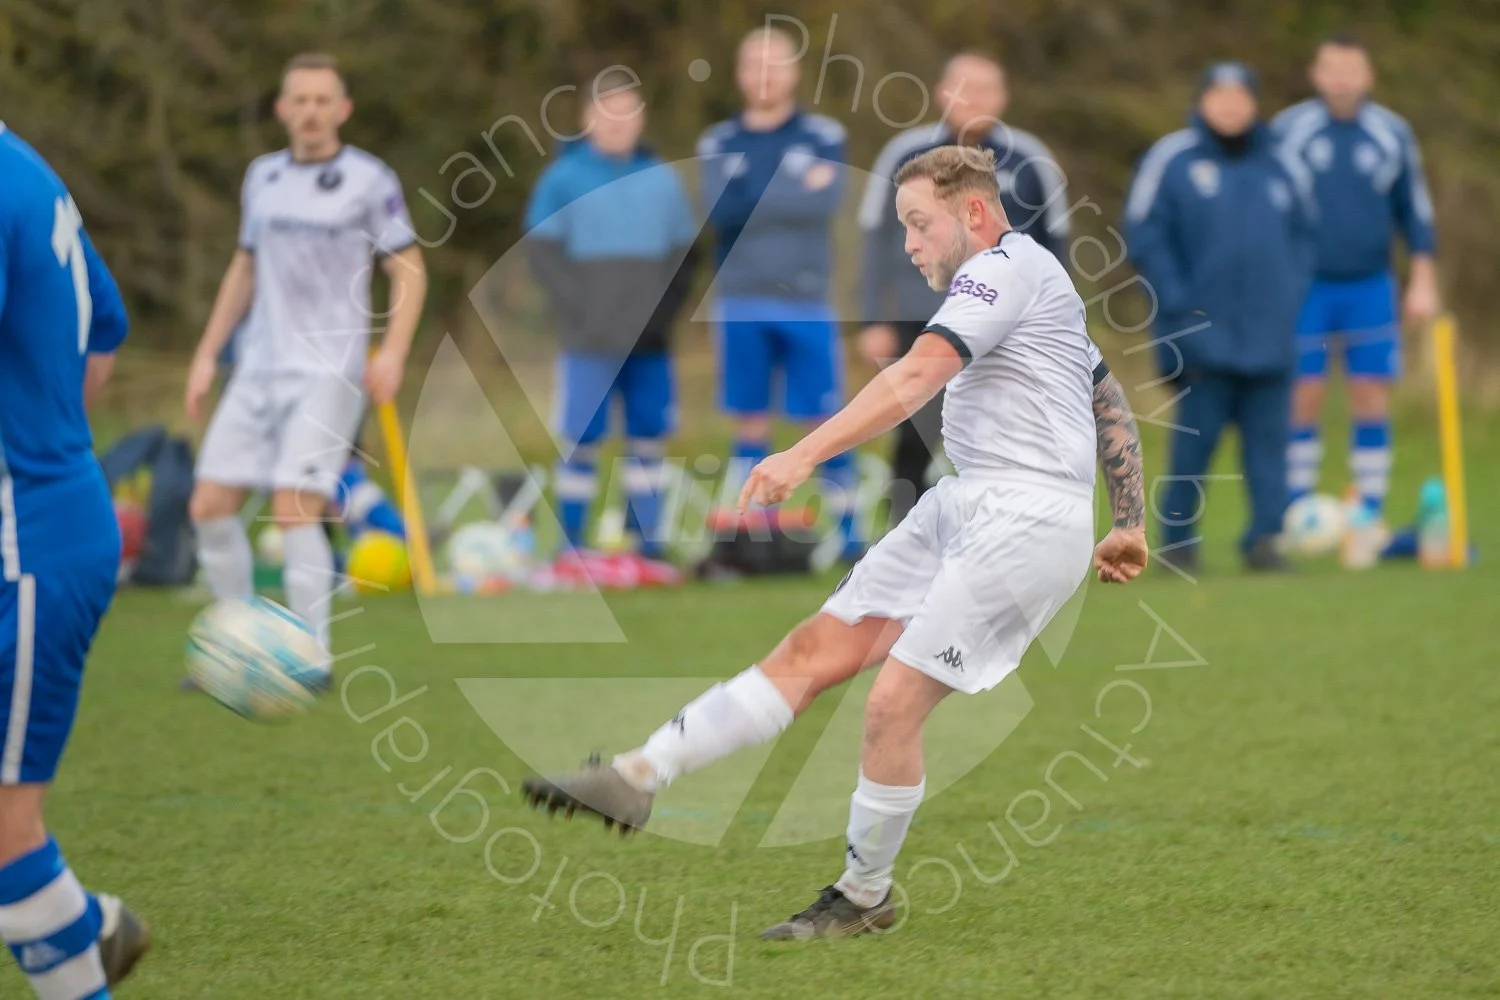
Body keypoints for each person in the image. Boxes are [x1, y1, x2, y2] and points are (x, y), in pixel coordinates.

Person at [523, 146, 1149, 940]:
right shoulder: (1023, 280)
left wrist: (802, 454)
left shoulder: (1002, 269)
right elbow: (1105, 389)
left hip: (1025, 522)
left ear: (977, 215)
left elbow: (919, 374)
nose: (911, 244)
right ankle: (639, 774)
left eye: (919, 225)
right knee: (810, 652)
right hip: (966, 503)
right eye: (904, 228)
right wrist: (1128, 517)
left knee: (891, 706)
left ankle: (863, 895)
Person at [183, 52, 426, 666]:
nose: (311, 111)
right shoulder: (261, 177)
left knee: (295, 508)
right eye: (301, 100)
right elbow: (244, 268)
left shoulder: (371, 180)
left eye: (323, 101)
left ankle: (309, 656)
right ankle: (235, 646)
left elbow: (408, 269)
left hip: (329, 371)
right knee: (208, 506)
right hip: (258, 366)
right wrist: (208, 353)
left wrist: (393, 352)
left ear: (342, 110)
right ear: (282, 109)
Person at [0, 124, 151, 996]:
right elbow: (107, 329)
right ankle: (86, 924)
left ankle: (72, 933)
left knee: (7, 835)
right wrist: (49, 432)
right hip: (46, 520)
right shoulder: (27, 166)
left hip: (27, 553)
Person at [857, 52, 1071, 526]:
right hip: (925, 317)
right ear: (941, 92)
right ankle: (901, 534)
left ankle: (1003, 531)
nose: (973, 99)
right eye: (963, 87)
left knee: (1004, 432)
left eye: (985, 89)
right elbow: (875, 237)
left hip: (1007, 324)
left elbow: (1057, 243)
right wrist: (874, 318)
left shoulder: (1031, 159)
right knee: (915, 429)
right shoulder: (905, 153)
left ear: (1003, 97)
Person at [1123, 62, 1315, 573]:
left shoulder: (1284, 163)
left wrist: (1289, 294)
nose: (1231, 106)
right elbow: (1144, 235)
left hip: (1270, 336)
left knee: (1268, 447)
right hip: (1201, 336)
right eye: (1220, 96)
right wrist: (1180, 300)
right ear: (1202, 101)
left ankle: (1265, 540)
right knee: (1194, 443)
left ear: (1254, 104)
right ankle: (1177, 544)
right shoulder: (1173, 158)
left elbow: (1306, 238)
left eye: (1240, 97)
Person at [524, 71, 699, 570]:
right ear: (588, 118)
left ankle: (649, 544)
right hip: (588, 338)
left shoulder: (662, 177)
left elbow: (684, 259)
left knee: (648, 436)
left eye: (629, 112)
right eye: (609, 112)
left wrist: (661, 316)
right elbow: (543, 255)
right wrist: (583, 310)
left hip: (650, 340)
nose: (619, 123)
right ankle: (571, 545)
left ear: (640, 118)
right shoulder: (563, 178)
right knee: (581, 436)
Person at [696, 27, 860, 560]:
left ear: (794, 71)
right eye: (753, 63)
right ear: (740, 74)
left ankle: (852, 536)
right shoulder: (717, 141)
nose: (765, 74)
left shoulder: (824, 135)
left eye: (775, 63)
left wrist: (751, 191)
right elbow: (721, 212)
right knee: (751, 417)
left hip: (806, 299)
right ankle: (756, 539)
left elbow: (821, 203)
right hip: (740, 297)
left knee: (823, 416)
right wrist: (787, 189)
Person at [1273, 34, 1440, 554]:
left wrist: (1423, 278)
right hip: (1305, 286)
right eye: (1332, 69)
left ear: (1368, 76)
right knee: (1304, 392)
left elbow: (1415, 211)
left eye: (1352, 69)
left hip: (1371, 285)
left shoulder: (1391, 133)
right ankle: (1296, 508)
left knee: (1369, 391)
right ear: (1316, 74)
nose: (1342, 79)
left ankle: (1368, 509)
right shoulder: (1288, 131)